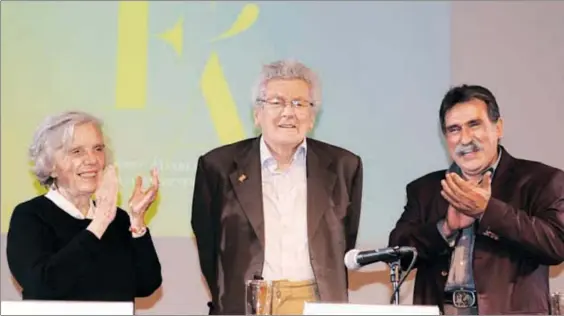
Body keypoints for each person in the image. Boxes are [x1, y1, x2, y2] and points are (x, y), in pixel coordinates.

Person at [191, 60, 363, 315]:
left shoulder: (344, 166)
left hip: (317, 302)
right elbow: (209, 245)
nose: (288, 112)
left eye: (299, 103)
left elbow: (344, 240)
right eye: (276, 102)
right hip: (249, 303)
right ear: (257, 114)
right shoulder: (218, 166)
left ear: (312, 117)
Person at [388, 84, 564, 315]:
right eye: (454, 129)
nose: (465, 139)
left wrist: (487, 211)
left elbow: (556, 245)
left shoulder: (540, 180)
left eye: (474, 125)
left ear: (498, 127)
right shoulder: (425, 189)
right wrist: (446, 227)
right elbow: (396, 255)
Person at [6, 111, 162, 302]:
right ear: (50, 165)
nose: (92, 160)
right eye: (77, 151)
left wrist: (137, 222)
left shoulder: (118, 219)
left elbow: (147, 284)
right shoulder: (30, 216)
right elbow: (43, 284)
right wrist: (98, 225)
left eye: (98, 149)